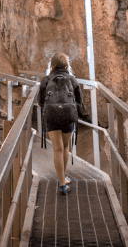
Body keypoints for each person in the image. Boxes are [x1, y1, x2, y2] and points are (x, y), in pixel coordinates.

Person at [38, 52, 85, 195]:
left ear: (51, 65)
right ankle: (62, 179)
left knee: (57, 149)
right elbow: (79, 101)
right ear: (67, 65)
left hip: (52, 116)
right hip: (68, 116)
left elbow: (40, 101)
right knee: (65, 147)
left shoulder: (46, 79)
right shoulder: (72, 79)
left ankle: (62, 183)